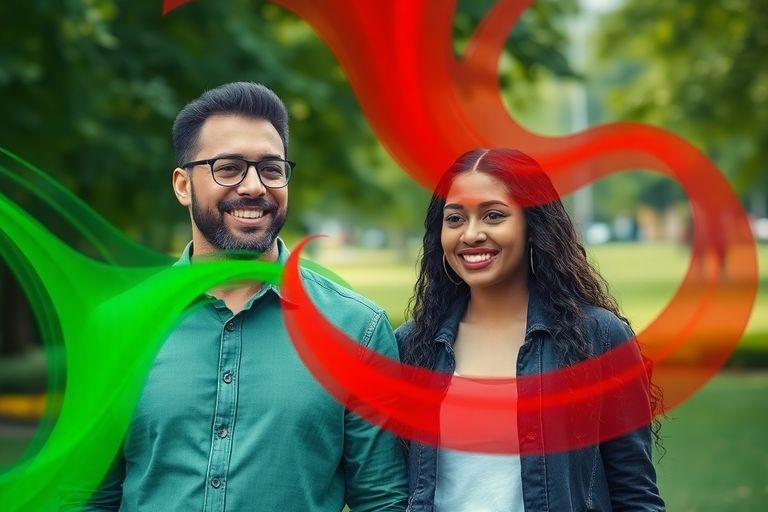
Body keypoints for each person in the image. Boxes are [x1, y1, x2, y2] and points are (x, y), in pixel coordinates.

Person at [79, 82, 408, 511]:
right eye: (229, 167)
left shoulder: (357, 330)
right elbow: (88, 497)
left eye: (271, 169)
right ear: (183, 185)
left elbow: (383, 501)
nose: (254, 186)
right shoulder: (117, 326)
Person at [396, 148, 664, 511]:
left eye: (493, 215)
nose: (471, 234)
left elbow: (635, 493)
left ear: (532, 224)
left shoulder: (598, 338)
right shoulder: (412, 346)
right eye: (455, 218)